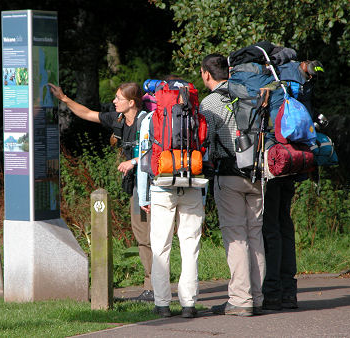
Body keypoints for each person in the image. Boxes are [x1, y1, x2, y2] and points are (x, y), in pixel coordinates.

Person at [48, 82, 154, 302]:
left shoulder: (148, 122)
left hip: (153, 189)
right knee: (143, 236)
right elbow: (87, 113)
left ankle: (155, 288)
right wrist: (64, 99)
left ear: (131, 102)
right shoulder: (117, 119)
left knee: (152, 237)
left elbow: (154, 150)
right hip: (137, 188)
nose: (114, 102)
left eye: (118, 98)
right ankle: (152, 288)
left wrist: (133, 161)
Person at [199, 54, 266, 317]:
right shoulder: (250, 92)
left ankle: (240, 300)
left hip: (229, 176)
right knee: (255, 235)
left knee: (236, 237)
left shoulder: (210, 102)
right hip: (258, 174)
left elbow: (207, 143)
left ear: (206, 74)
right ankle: (258, 297)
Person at [137, 78, 205, 319]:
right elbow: (203, 149)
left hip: (161, 187)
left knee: (160, 247)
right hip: (192, 185)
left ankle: (162, 303)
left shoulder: (149, 119)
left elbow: (144, 160)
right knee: (190, 246)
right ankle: (189, 304)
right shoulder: (196, 113)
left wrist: (143, 195)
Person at [261, 60, 324, 311]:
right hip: (296, 158)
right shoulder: (298, 82)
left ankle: (272, 292)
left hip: (275, 158)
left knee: (271, 226)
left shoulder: (271, 80)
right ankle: (289, 292)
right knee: (285, 223)